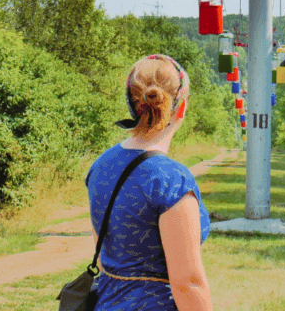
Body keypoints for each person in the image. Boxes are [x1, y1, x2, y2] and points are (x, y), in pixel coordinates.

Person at [86, 54, 214, 311]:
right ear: (181, 107)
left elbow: (103, 258)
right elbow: (187, 283)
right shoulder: (171, 181)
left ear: (132, 105)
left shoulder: (101, 166)